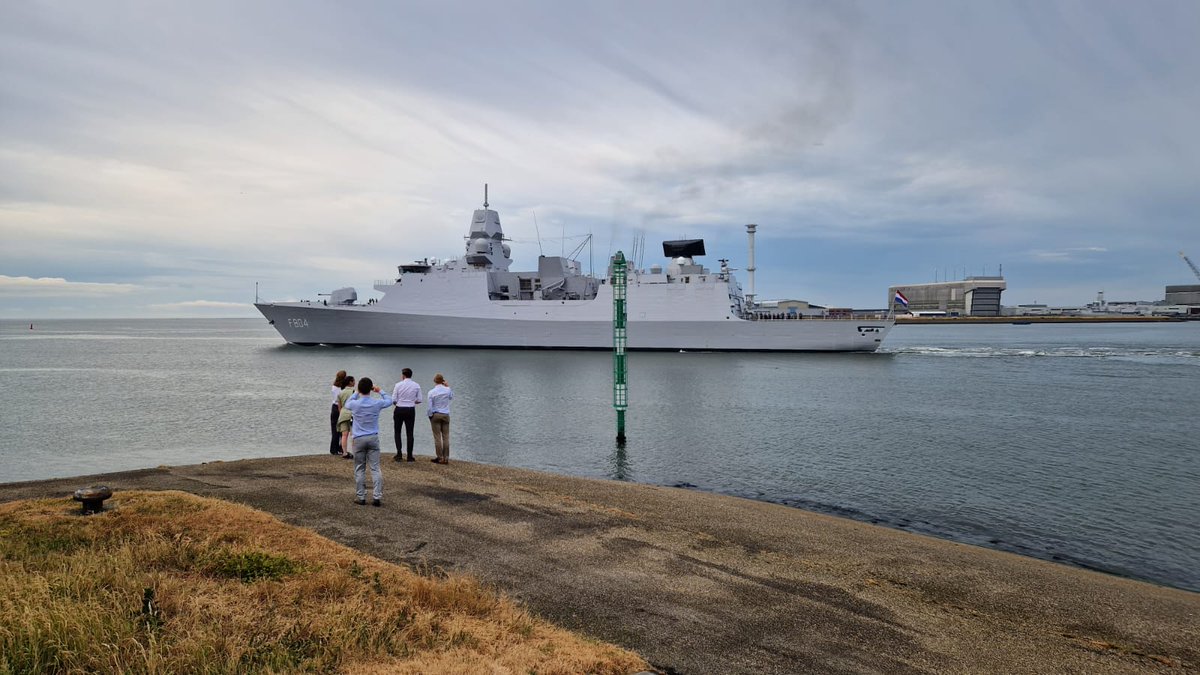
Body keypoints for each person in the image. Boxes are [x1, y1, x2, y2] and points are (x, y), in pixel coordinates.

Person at [345, 377, 393, 506]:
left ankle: (361, 497)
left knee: (360, 468)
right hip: (373, 437)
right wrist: (380, 390)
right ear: (371, 389)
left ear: (360, 389)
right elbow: (390, 400)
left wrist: (356, 392)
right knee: (375, 468)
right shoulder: (376, 403)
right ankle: (377, 496)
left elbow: (347, 404)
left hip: (359, 439)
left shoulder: (355, 404)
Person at [391, 368, 422, 462]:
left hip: (399, 409)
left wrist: (400, 402)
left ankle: (399, 454)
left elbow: (393, 400)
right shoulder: (416, 385)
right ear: (411, 375)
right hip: (410, 409)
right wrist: (412, 401)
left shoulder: (398, 385)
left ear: (403, 375)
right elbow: (420, 399)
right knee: (410, 432)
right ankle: (409, 456)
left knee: (397, 431)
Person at [427, 373, 453, 464]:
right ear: (443, 381)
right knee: (446, 437)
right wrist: (447, 385)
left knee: (437, 437)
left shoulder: (431, 392)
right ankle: (446, 458)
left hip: (436, 414)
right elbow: (451, 397)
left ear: (434, 381)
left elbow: (430, 407)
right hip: (446, 415)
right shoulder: (447, 390)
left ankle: (440, 457)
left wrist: (430, 415)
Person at [336, 375, 356, 458]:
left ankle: (344, 452)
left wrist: (342, 413)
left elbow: (339, 407)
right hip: (351, 414)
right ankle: (355, 452)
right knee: (354, 434)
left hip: (343, 414)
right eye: (354, 381)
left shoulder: (341, 392)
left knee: (344, 435)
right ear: (350, 382)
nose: (355, 382)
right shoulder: (354, 392)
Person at [329, 370, 347, 454]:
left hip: (334, 407)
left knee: (335, 429)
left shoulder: (334, 386)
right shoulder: (342, 388)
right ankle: (339, 448)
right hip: (341, 407)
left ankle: (335, 448)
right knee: (343, 429)